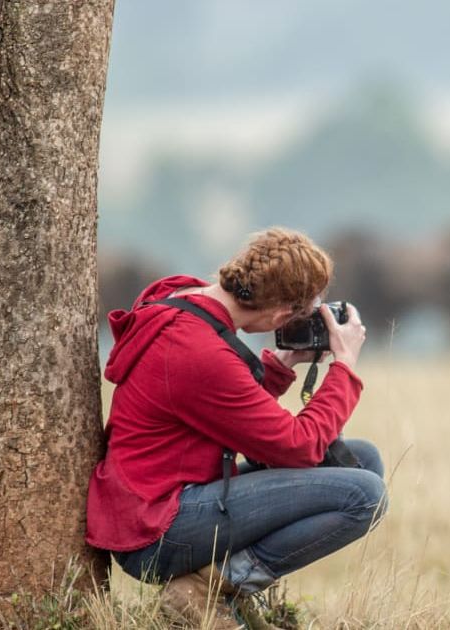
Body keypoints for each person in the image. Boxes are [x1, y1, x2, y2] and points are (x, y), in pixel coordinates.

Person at [86, 227, 387, 628]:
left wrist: (280, 366)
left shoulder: (183, 298)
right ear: (282, 316)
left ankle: (218, 590)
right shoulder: (197, 349)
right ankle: (213, 589)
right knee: (364, 495)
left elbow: (219, 407)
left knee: (360, 460)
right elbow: (300, 446)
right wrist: (344, 367)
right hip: (155, 531)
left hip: (163, 500)